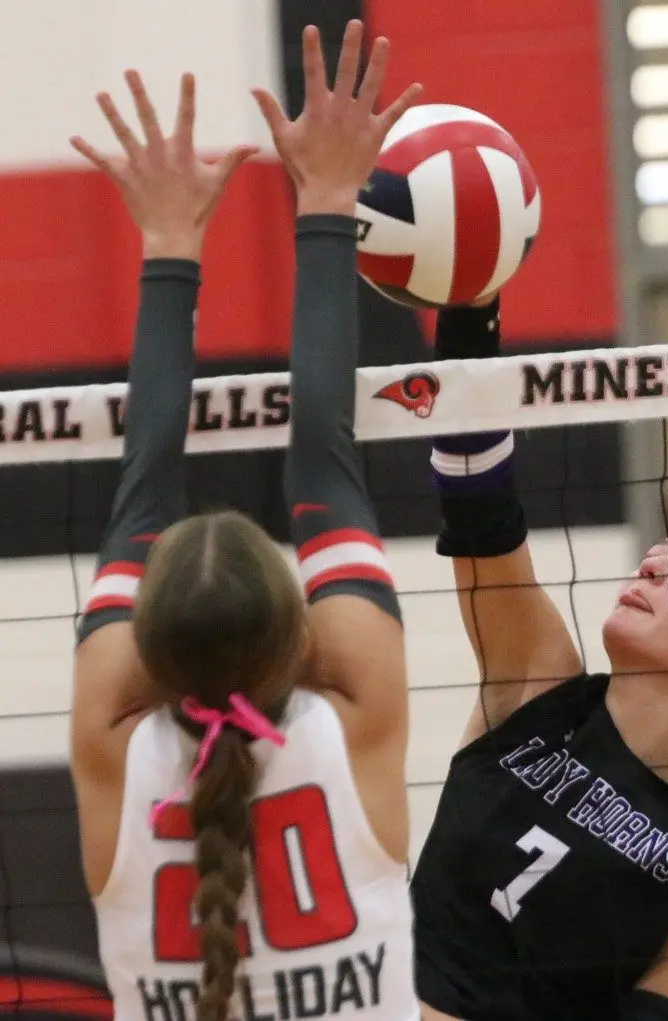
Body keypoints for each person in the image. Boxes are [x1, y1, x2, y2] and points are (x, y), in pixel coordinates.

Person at [68, 22, 422, 1021]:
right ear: (302, 632)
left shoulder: (113, 744)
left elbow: (175, 483)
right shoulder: (352, 722)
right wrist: (324, 203)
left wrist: (178, 240)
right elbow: (291, 461)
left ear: (147, 643)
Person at [409, 299, 668, 1021]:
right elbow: (478, 510)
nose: (652, 566)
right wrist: (470, 304)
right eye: (657, 554)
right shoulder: (539, 682)